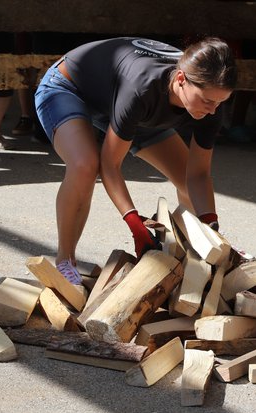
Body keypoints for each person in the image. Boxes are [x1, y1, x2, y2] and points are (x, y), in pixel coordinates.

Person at [35, 37, 236, 284]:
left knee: (185, 181)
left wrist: (209, 224)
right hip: (70, 89)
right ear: (181, 79)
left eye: (220, 102)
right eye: (207, 101)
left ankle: (191, 255)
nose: (214, 110)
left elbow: (198, 175)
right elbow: (110, 164)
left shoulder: (210, 101)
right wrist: (134, 222)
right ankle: (65, 261)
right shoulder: (141, 87)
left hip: (133, 108)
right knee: (85, 164)